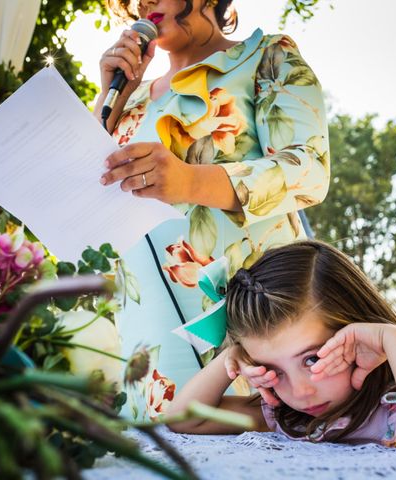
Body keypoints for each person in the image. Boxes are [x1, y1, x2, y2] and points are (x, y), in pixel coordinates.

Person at [95, 0, 330, 420]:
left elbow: (310, 169)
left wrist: (188, 181)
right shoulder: (127, 105)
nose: (143, 2)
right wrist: (109, 98)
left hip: (252, 309)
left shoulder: (265, 57)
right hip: (146, 324)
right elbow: (86, 197)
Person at [166, 241, 396, 457]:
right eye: (272, 370)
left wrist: (393, 339)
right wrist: (229, 359)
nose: (300, 392)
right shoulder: (282, 417)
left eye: (312, 358)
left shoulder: (395, 411)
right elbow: (184, 419)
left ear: (360, 330)